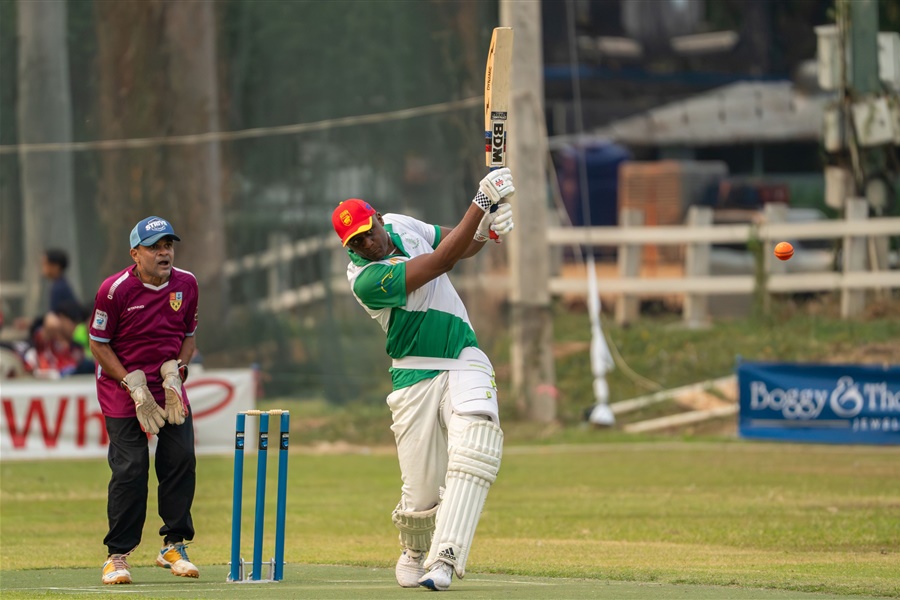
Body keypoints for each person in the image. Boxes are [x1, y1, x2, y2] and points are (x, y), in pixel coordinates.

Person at [330, 168, 516, 591]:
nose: (366, 244)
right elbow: (441, 261)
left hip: (462, 354)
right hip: (414, 375)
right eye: (355, 242)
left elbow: (459, 245)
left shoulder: (401, 224)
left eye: (367, 232)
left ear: (377, 218)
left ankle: (445, 558)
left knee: (478, 443)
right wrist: (482, 203)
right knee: (420, 497)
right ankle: (415, 549)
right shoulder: (365, 279)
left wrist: (487, 231)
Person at [88, 216, 200, 585]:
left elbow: (189, 335)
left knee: (180, 458)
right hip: (123, 387)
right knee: (131, 467)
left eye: (168, 245)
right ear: (135, 254)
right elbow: (98, 343)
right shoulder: (114, 289)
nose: (164, 252)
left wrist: (177, 371)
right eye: (154, 247)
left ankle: (174, 545)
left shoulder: (187, 284)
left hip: (167, 385)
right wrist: (130, 384)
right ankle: (117, 555)